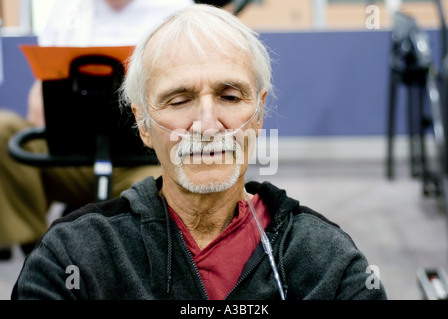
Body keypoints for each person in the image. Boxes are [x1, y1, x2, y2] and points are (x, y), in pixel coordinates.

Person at [12, 4, 387, 300]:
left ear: (258, 114)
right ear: (143, 124)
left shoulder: (326, 263)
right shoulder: (71, 259)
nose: (207, 125)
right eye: (179, 100)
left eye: (229, 96)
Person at [0, 0, 193, 260]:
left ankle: (153, 265)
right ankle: (39, 253)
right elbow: (41, 91)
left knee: (178, 179)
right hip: (72, 157)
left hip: (145, 159)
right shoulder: (67, 9)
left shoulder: (178, 9)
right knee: (4, 129)